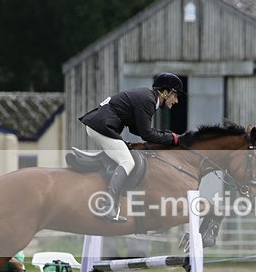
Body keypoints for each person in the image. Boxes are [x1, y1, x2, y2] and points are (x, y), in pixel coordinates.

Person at [78, 72, 185, 222]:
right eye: (175, 95)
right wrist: (170, 138)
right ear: (165, 92)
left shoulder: (148, 98)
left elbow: (137, 129)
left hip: (101, 125)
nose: (177, 101)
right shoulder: (148, 100)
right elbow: (146, 133)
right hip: (101, 126)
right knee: (128, 162)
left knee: (126, 156)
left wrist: (164, 136)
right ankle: (108, 206)